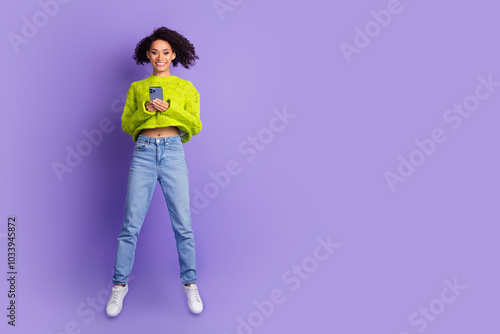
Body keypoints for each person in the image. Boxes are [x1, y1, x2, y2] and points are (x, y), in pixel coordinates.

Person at [106, 26, 203, 317]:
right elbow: (127, 125)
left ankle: (190, 284)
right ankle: (118, 288)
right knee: (130, 225)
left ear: (173, 55)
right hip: (144, 153)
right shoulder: (137, 89)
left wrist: (169, 109)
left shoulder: (187, 88)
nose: (160, 57)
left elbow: (195, 125)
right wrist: (146, 110)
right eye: (154, 52)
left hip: (173, 152)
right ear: (148, 55)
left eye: (165, 52)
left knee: (183, 225)